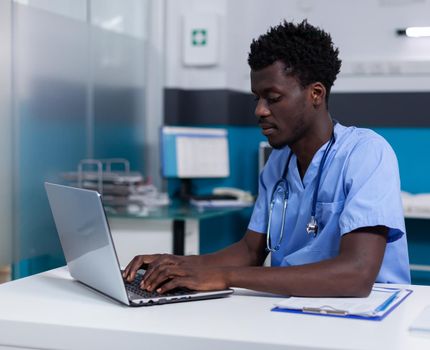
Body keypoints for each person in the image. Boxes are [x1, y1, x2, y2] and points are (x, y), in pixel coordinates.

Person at [123, 20, 410, 297]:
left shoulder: (366, 153)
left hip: (369, 314)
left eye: (272, 98)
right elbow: (250, 251)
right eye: (256, 98)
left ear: (316, 94)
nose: (259, 110)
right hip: (298, 306)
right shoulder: (278, 163)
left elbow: (356, 275)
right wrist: (178, 264)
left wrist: (224, 276)